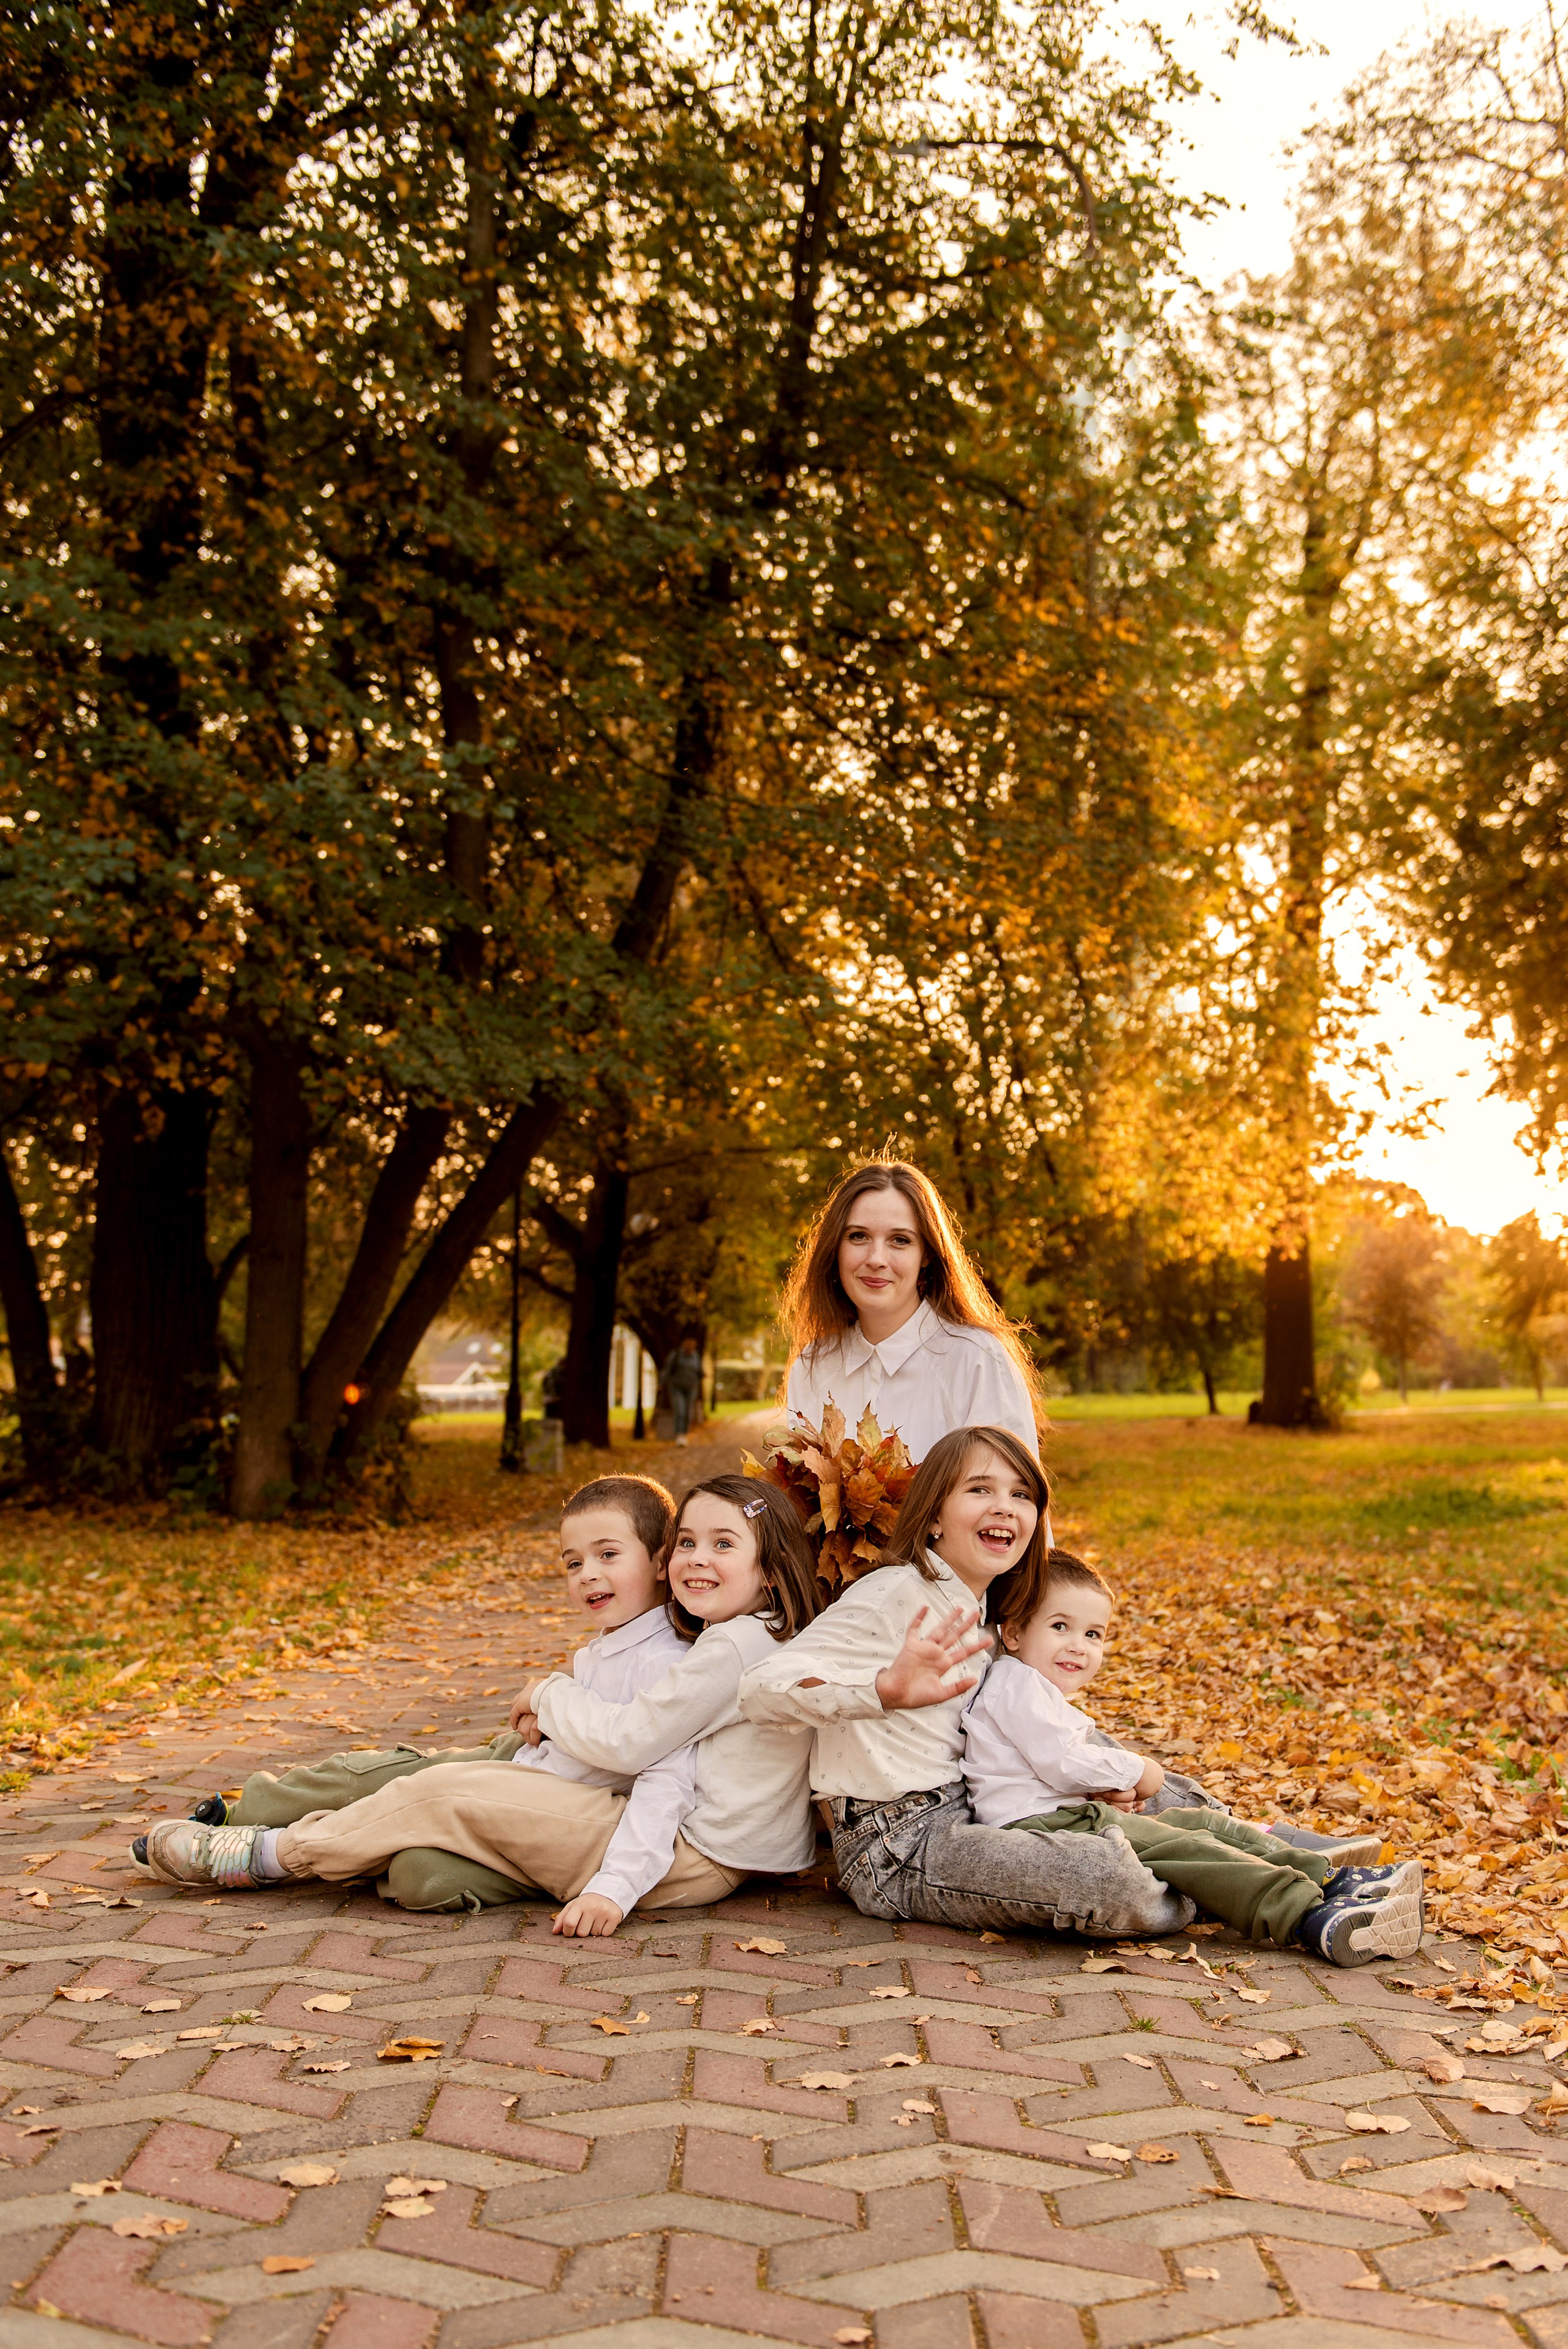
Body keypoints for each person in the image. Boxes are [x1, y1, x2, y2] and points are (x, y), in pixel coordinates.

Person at [134, 1480, 824, 1930]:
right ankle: (285, 1831)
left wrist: (612, 1889)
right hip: (671, 1842)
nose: (696, 1561)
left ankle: (270, 1855)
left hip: (682, 1853)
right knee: (420, 1838)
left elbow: (651, 1767)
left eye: (724, 1545)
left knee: (436, 1795)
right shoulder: (733, 1639)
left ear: (769, 1570)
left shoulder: (720, 1650)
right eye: (689, 1544)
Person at [739, 1424, 1193, 1936]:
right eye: (980, 1489)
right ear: (933, 1516)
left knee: (1115, 1759)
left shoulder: (988, 1614)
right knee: (1110, 1877)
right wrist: (882, 1691)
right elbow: (759, 1689)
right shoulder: (895, 1593)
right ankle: (1212, 1878)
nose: (1003, 1506)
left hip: (975, 1806)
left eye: (1021, 1494)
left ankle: (1249, 1845)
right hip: (897, 1843)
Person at [961, 1548, 1424, 1965]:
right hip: (1036, 1825)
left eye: (1094, 1634)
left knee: (1199, 1824)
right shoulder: (1016, 1684)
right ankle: (1306, 1916)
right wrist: (1140, 1770)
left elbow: (1049, 1763)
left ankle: (1329, 1880)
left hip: (1063, 1812)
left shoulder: (1033, 1687)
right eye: (1060, 1626)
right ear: (1016, 1632)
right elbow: (1060, 1761)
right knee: (1184, 1849)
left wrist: (1103, 1786)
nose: (1078, 1645)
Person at [782, 1161, 1041, 1466]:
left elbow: (1017, 1505)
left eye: (900, 1240)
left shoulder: (977, 1360)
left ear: (927, 1254)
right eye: (858, 1236)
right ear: (835, 1248)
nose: (876, 1259)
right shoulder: (813, 1366)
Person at [662, 1336, 704, 1445]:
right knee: (680, 1410)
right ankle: (679, 1434)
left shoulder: (696, 1357)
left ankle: (685, 1434)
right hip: (677, 1388)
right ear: (684, 1344)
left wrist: (703, 1374)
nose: (690, 1346)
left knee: (688, 1412)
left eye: (693, 1344)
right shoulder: (676, 1355)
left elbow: (699, 1371)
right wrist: (661, 1383)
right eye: (688, 1344)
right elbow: (668, 1370)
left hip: (692, 1388)